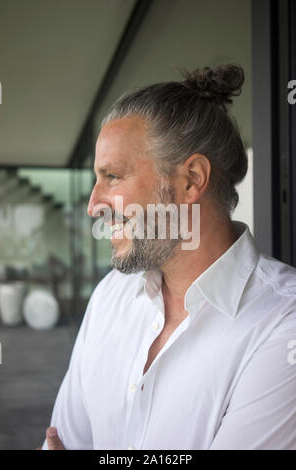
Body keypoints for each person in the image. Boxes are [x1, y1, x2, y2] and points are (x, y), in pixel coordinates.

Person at [40, 64, 296, 450]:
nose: (94, 205)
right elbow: (61, 440)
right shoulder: (111, 295)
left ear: (191, 179)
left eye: (112, 177)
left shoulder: (283, 325)